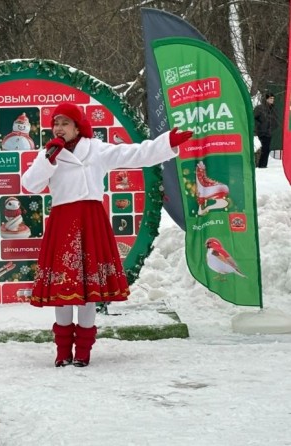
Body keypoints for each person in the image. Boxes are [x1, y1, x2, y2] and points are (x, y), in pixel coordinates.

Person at [21, 102, 192, 368]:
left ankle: (83, 351)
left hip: (90, 222)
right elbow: (30, 184)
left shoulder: (96, 150)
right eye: (56, 123)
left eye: (65, 123)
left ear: (78, 126)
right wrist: (48, 159)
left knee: (88, 289)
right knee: (63, 289)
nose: (59, 128)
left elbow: (135, 154)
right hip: (63, 223)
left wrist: (166, 142)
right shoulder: (49, 154)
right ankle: (63, 350)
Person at [254, 92, 279, 168]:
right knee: (263, 150)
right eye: (271, 98)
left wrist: (272, 128)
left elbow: (276, 120)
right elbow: (253, 118)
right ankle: (261, 165)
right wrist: (259, 127)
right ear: (266, 99)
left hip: (268, 133)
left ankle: (263, 165)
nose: (272, 100)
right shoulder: (260, 108)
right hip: (260, 133)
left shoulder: (273, 109)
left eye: (273, 98)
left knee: (266, 150)